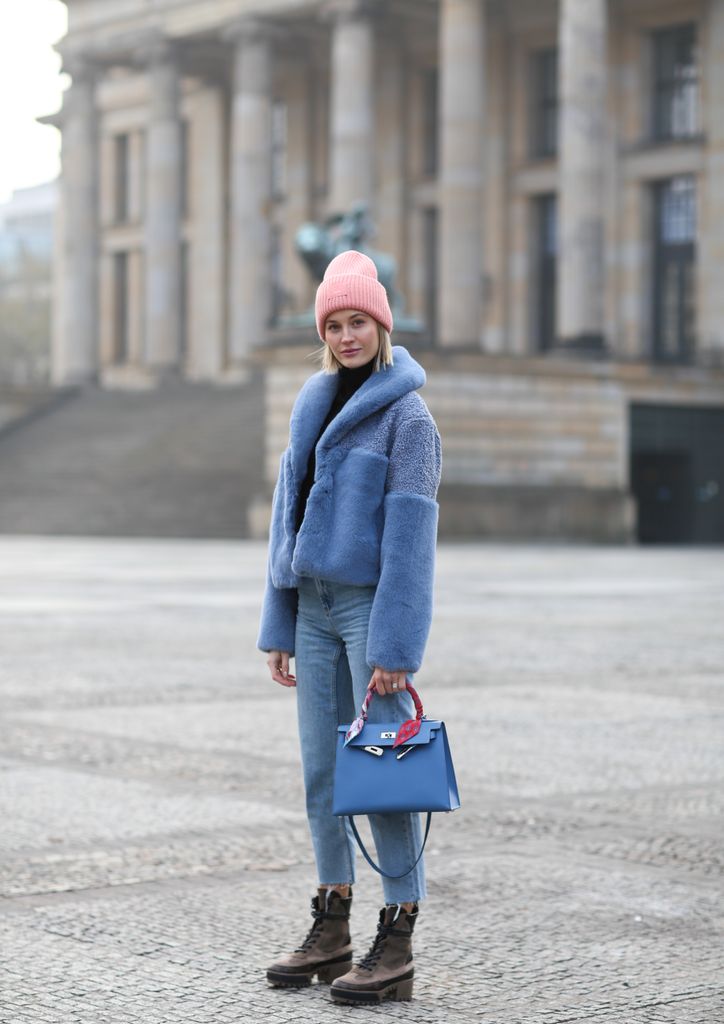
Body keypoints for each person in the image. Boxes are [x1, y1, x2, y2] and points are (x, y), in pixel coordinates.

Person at [257, 250, 441, 1005]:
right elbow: (286, 520)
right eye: (334, 325)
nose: (346, 336)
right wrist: (279, 622)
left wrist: (396, 646)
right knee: (322, 773)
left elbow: (411, 545)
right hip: (313, 609)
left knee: (385, 773)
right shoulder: (310, 404)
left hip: (368, 610)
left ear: (382, 325)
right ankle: (332, 923)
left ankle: (397, 936)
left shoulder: (409, 417)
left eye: (358, 321)